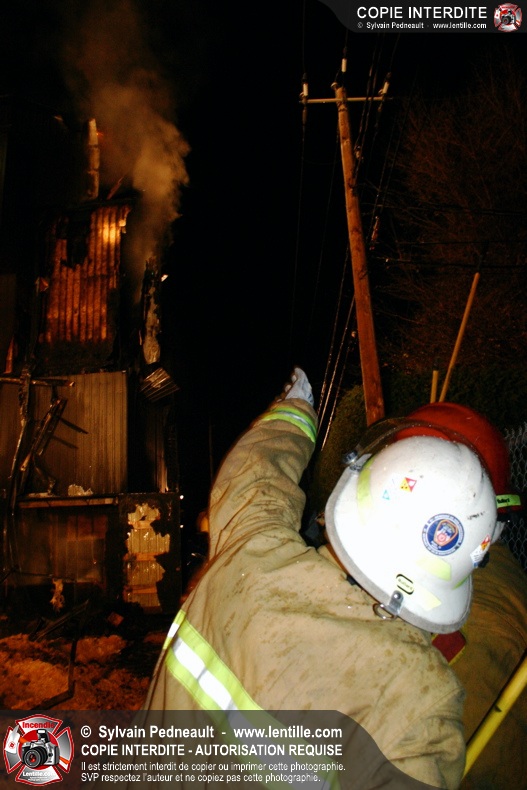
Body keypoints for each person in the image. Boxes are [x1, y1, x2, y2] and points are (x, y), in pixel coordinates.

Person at [141, 368, 499, 789]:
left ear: (356, 491)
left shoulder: (251, 554)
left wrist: (296, 409)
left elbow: (255, 474)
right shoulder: (419, 709)